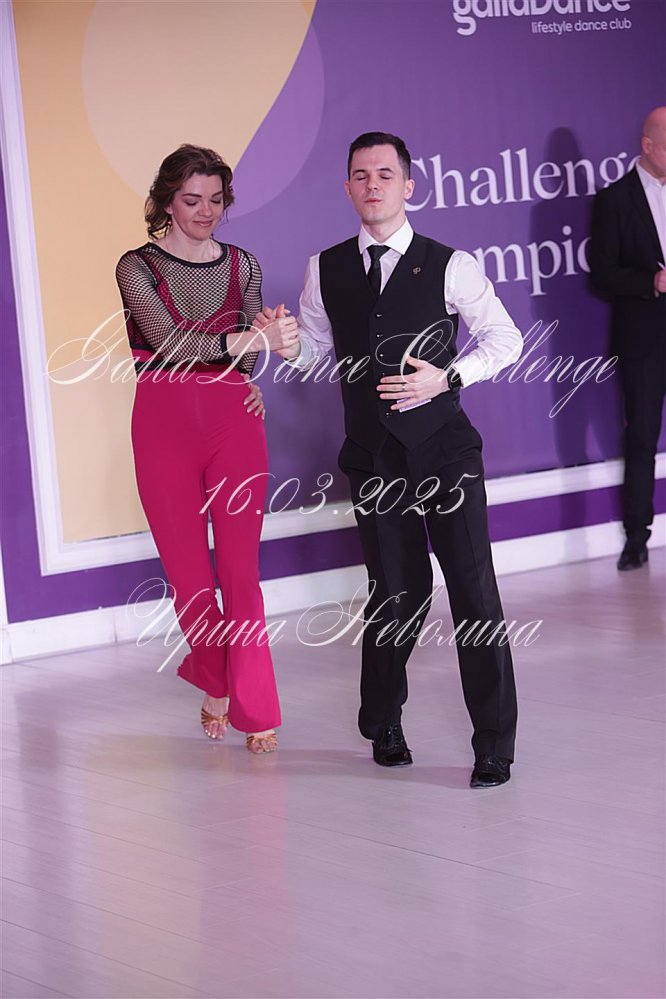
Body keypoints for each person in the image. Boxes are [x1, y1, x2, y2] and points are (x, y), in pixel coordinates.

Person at [259, 132, 522, 786]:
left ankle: (494, 743)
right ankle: (382, 717)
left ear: (408, 185)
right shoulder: (326, 268)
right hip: (375, 459)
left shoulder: (450, 264)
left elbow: (506, 338)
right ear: (348, 187)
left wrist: (448, 376)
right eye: (360, 174)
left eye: (384, 173)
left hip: (446, 452)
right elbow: (317, 353)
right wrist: (286, 346)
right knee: (397, 595)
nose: (372, 184)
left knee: (474, 592)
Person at [116, 144, 299, 752]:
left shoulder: (243, 264)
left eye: (216, 200)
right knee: (191, 578)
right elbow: (168, 344)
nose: (206, 211)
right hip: (161, 430)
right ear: (167, 200)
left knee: (241, 574)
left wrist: (257, 354)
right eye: (192, 200)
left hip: (235, 424)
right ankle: (217, 681)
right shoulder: (136, 266)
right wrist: (254, 340)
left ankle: (257, 705)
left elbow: (245, 358)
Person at [590, 107, 666, 571]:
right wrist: (650, 282)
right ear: (648, 145)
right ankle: (636, 538)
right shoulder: (614, 200)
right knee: (640, 438)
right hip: (643, 339)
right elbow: (601, 273)